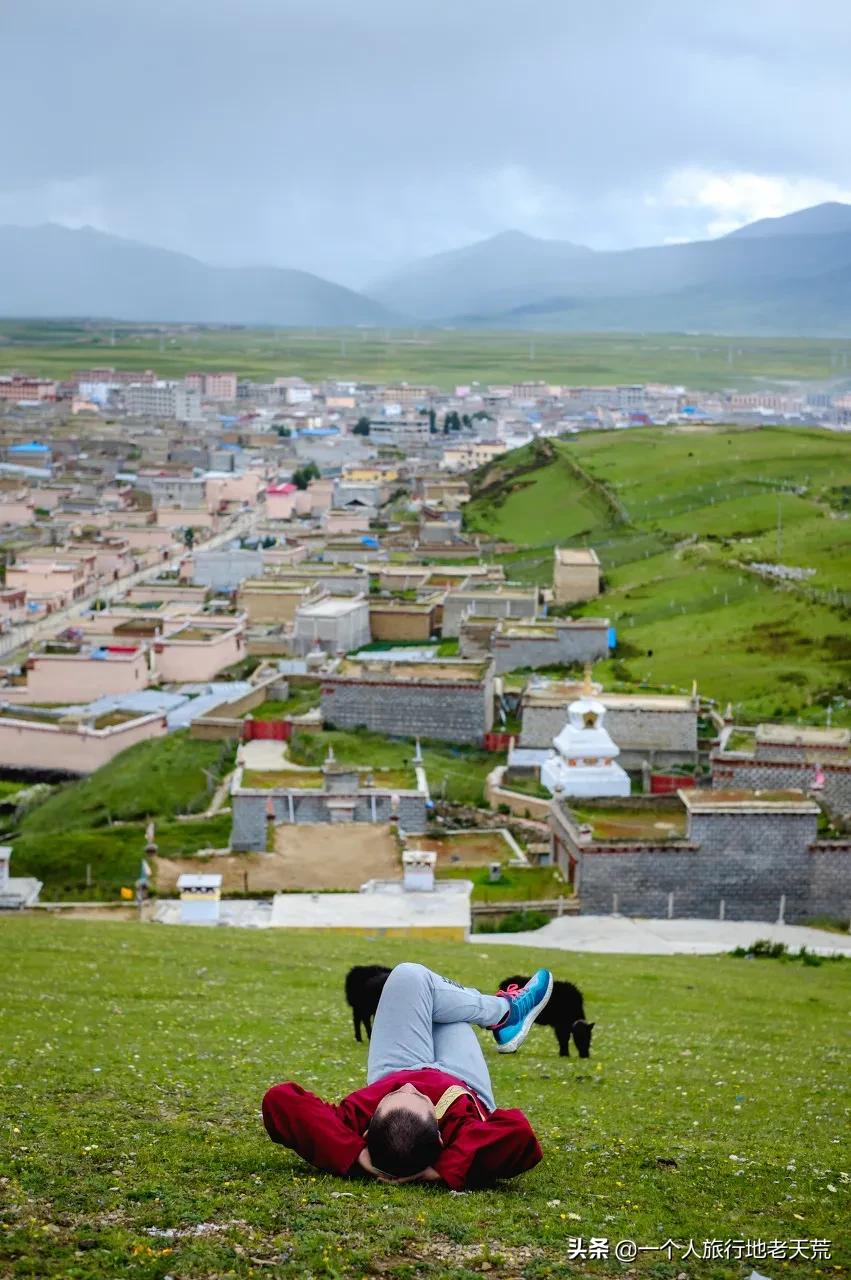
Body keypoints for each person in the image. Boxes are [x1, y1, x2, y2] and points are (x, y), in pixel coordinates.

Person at [262, 963, 553, 1190]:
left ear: (367, 1129)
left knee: (408, 976)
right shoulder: (461, 1130)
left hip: (397, 1064)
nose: (412, 1086)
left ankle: (504, 1012)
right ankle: (506, 1013)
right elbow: (519, 1134)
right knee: (450, 1013)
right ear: (441, 1137)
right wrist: (442, 1170)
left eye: (396, 1094)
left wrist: (355, 1156)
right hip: (463, 1077)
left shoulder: (353, 1121)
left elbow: (280, 1100)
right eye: (421, 1098)